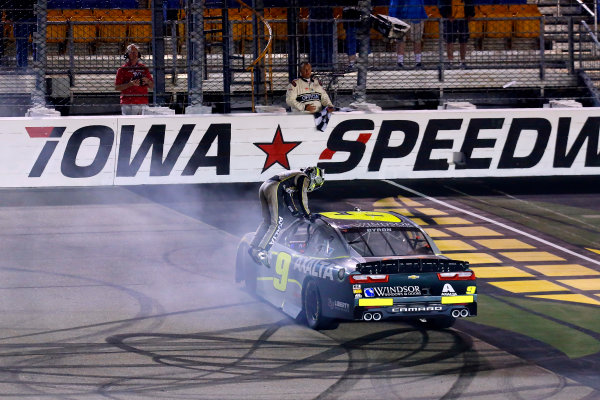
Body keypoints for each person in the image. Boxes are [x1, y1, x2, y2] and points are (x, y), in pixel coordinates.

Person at [249, 167, 325, 266]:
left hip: (264, 187)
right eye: (317, 181)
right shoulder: (304, 177)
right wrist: (308, 214)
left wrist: (295, 212)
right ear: (313, 176)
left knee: (267, 221)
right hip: (274, 188)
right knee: (277, 223)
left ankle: (253, 247)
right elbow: (302, 197)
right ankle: (263, 251)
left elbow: (287, 196)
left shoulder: (295, 175)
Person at [114, 43, 154, 115]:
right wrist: (130, 84)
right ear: (127, 55)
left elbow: (152, 86)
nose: (134, 54)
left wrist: (147, 80)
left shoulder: (143, 68)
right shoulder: (122, 69)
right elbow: (117, 87)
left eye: (135, 52)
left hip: (142, 102)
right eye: (131, 53)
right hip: (128, 103)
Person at [390, 0, 427, 69]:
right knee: (400, 39)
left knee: (417, 39)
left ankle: (418, 62)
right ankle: (400, 62)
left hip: (415, 13)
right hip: (400, 14)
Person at [439, 0, 474, 69]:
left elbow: (470, 3)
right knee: (449, 41)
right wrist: (447, 15)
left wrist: (470, 14)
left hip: (463, 19)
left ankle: (463, 61)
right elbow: (442, 5)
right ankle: (450, 62)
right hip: (450, 20)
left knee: (463, 41)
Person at [4, 0, 37, 68]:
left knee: (34, 43)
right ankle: (27, 67)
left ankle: (24, 67)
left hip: (31, 18)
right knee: (25, 44)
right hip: (25, 17)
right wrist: (9, 16)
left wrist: (9, 16)